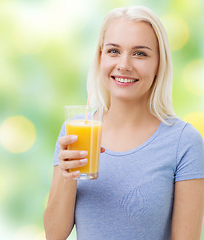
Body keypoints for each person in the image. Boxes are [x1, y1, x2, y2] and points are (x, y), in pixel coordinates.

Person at [44, 5, 204, 240]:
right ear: (100, 58)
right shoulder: (75, 131)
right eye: (113, 51)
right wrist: (67, 178)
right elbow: (54, 234)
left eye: (140, 53)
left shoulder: (184, 141)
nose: (124, 64)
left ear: (159, 63)